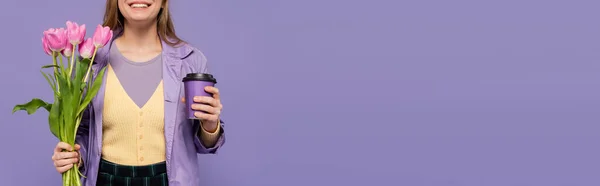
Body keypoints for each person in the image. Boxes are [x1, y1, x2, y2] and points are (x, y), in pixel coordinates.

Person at [50, 0, 226, 185]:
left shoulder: (190, 61)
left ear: (163, 3)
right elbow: (84, 130)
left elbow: (204, 145)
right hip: (106, 180)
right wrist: (74, 155)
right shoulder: (92, 60)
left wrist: (210, 125)